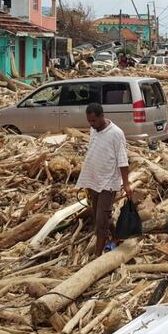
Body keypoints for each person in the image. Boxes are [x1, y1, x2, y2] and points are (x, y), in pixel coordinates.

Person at [75, 103, 133, 256]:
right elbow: (93, 152)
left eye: (93, 121)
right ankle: (116, 236)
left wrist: (126, 184)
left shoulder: (116, 133)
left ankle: (97, 255)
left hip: (109, 182)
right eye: (89, 121)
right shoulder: (94, 130)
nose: (91, 124)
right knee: (100, 215)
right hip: (94, 180)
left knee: (101, 221)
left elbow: (122, 160)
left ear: (102, 116)